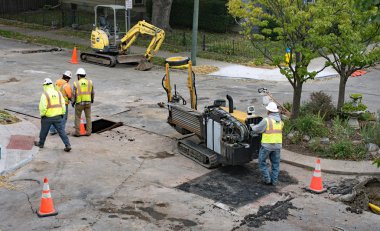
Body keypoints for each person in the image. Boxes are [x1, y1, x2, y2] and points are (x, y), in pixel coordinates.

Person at [250, 102, 283, 185]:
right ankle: (274, 181)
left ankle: (267, 179)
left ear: (269, 111)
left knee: (262, 162)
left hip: (267, 146)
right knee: (275, 164)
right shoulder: (281, 122)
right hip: (277, 146)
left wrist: (252, 127)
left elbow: (257, 129)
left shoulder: (267, 120)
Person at [34, 78, 71, 152]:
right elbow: (63, 104)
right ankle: (67, 145)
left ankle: (41, 143)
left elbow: (42, 107)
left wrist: (43, 115)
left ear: (45, 85)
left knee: (44, 131)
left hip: (47, 117)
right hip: (58, 116)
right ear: (52, 85)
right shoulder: (58, 93)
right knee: (61, 131)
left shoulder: (45, 94)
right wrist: (62, 113)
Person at [72, 68, 94, 137]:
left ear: (78, 76)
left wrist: (73, 102)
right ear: (85, 75)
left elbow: (74, 94)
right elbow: (92, 93)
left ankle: (77, 133)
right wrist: (92, 100)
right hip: (88, 102)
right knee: (88, 117)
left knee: (77, 117)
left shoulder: (76, 83)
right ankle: (88, 132)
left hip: (79, 103)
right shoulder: (90, 82)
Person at [49, 71, 72, 135]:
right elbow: (70, 95)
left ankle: (52, 130)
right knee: (63, 118)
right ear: (68, 78)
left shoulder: (57, 82)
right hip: (63, 104)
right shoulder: (66, 85)